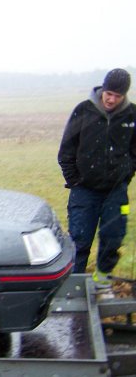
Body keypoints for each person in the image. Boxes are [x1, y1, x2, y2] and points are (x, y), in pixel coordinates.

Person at [58, 68, 136, 293]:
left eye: (117, 96)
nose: (111, 99)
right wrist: (75, 181)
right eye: (109, 93)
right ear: (103, 89)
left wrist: (124, 175)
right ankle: (75, 289)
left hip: (116, 192)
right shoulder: (83, 111)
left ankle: (102, 284)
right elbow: (66, 151)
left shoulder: (132, 116)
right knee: (79, 241)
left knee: (113, 238)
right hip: (84, 190)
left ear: (124, 95)